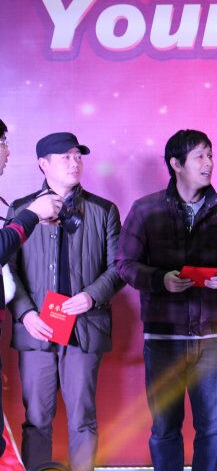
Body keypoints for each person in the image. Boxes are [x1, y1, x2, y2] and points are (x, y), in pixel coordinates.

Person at [117, 129, 217, 471]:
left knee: (213, 430)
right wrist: (160, 280)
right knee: (164, 429)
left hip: (211, 337)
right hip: (163, 339)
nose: (209, 163)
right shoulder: (146, 209)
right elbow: (124, 264)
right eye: (200, 156)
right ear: (176, 164)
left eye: (210, 154)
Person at [7, 132, 124, 471]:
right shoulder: (22, 210)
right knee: (36, 419)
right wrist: (25, 313)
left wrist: (91, 296)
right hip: (36, 330)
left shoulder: (103, 210)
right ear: (43, 165)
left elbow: (119, 267)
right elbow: (7, 269)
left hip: (84, 328)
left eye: (78, 156)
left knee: (83, 419)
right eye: (65, 157)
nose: (75, 163)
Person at [0, 120, 62, 459]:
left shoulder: (102, 209)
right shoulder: (25, 207)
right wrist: (31, 216)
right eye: (3, 142)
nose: (8, 152)